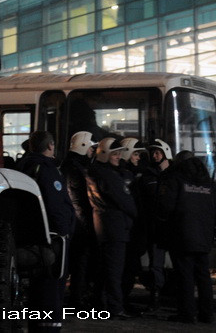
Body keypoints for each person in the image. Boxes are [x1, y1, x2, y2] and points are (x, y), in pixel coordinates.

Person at [17, 130, 75, 331]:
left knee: (37, 288)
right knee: (52, 288)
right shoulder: (47, 169)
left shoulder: (25, 166)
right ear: (50, 146)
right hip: (53, 239)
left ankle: (38, 326)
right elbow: (55, 204)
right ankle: (48, 328)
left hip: (33, 236)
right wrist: (64, 231)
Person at [157, 150, 216, 324]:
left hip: (181, 234)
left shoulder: (176, 178)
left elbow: (165, 206)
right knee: (203, 276)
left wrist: (163, 222)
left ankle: (187, 313)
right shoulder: (208, 181)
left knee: (184, 275)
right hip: (204, 235)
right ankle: (207, 313)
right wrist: (215, 230)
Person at [87, 137, 137, 319]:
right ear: (105, 154)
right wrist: (135, 214)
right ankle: (115, 308)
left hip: (103, 226)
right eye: (114, 153)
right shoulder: (109, 176)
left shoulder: (95, 172)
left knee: (105, 268)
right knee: (115, 271)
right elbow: (125, 201)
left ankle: (101, 304)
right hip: (115, 228)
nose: (118, 157)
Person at [61, 131, 96, 307]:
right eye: (90, 147)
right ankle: (76, 299)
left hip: (74, 223)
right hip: (79, 224)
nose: (92, 151)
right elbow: (78, 199)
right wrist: (86, 224)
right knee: (79, 262)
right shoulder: (75, 168)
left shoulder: (71, 165)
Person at [140, 139, 173, 312]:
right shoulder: (148, 175)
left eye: (157, 152)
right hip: (155, 227)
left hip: (172, 227)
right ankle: (155, 298)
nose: (154, 155)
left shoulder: (174, 176)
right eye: (152, 152)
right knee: (156, 265)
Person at [118, 137, 147, 313]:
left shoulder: (133, 174)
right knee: (126, 269)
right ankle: (121, 302)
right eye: (135, 154)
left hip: (131, 230)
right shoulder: (125, 175)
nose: (138, 158)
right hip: (128, 231)